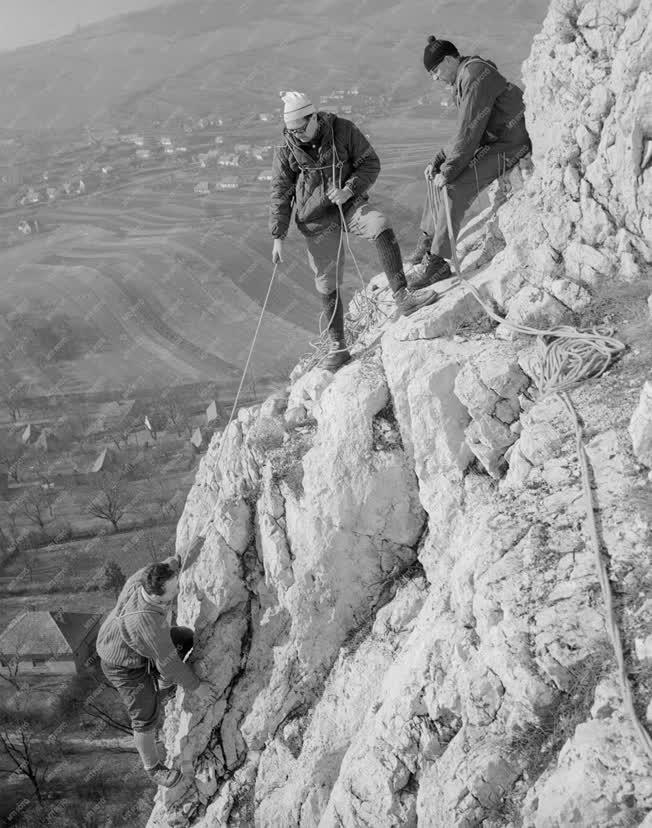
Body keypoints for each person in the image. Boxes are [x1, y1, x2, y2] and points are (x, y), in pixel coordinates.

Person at [270, 91, 439, 372]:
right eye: (292, 131)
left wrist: (349, 188)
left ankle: (403, 297)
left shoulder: (343, 130)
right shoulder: (286, 149)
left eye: (301, 128)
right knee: (326, 281)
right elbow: (279, 193)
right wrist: (278, 237)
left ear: (313, 117)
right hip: (315, 220)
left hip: (348, 205)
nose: (297, 135)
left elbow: (370, 163)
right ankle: (339, 347)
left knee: (379, 225)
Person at [407, 36, 532, 287]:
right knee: (438, 173)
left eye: (435, 70)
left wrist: (451, 170)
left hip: (511, 143)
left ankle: (438, 262)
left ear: (450, 59)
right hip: (495, 140)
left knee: (453, 187)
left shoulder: (474, 75)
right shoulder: (466, 75)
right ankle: (429, 236)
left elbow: (469, 133)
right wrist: (441, 158)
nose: (435, 78)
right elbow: (468, 128)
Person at [97, 544, 214, 788]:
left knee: (183, 637)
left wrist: (188, 553)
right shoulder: (147, 622)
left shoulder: (147, 577)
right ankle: (153, 768)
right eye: (174, 591)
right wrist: (197, 686)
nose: (178, 589)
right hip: (121, 664)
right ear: (158, 596)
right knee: (146, 715)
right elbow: (170, 663)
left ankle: (162, 685)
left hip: (131, 642)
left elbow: (171, 565)